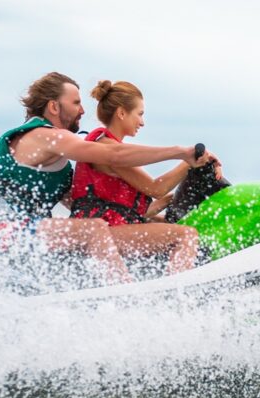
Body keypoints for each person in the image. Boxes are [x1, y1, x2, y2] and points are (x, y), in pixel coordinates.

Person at [0, 72, 218, 285]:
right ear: (54, 106)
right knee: (94, 228)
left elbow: (81, 205)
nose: (83, 110)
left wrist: (155, 212)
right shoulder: (43, 135)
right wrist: (181, 153)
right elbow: (113, 154)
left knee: (97, 225)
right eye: (75, 103)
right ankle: (127, 295)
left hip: (30, 237)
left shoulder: (60, 165)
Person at [69, 80, 221, 275]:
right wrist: (189, 162)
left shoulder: (111, 146)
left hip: (111, 228)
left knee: (172, 226)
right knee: (185, 235)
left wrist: (178, 198)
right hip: (99, 234)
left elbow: (132, 209)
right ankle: (176, 294)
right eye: (139, 114)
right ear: (122, 113)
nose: (142, 122)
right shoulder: (106, 148)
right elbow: (155, 188)